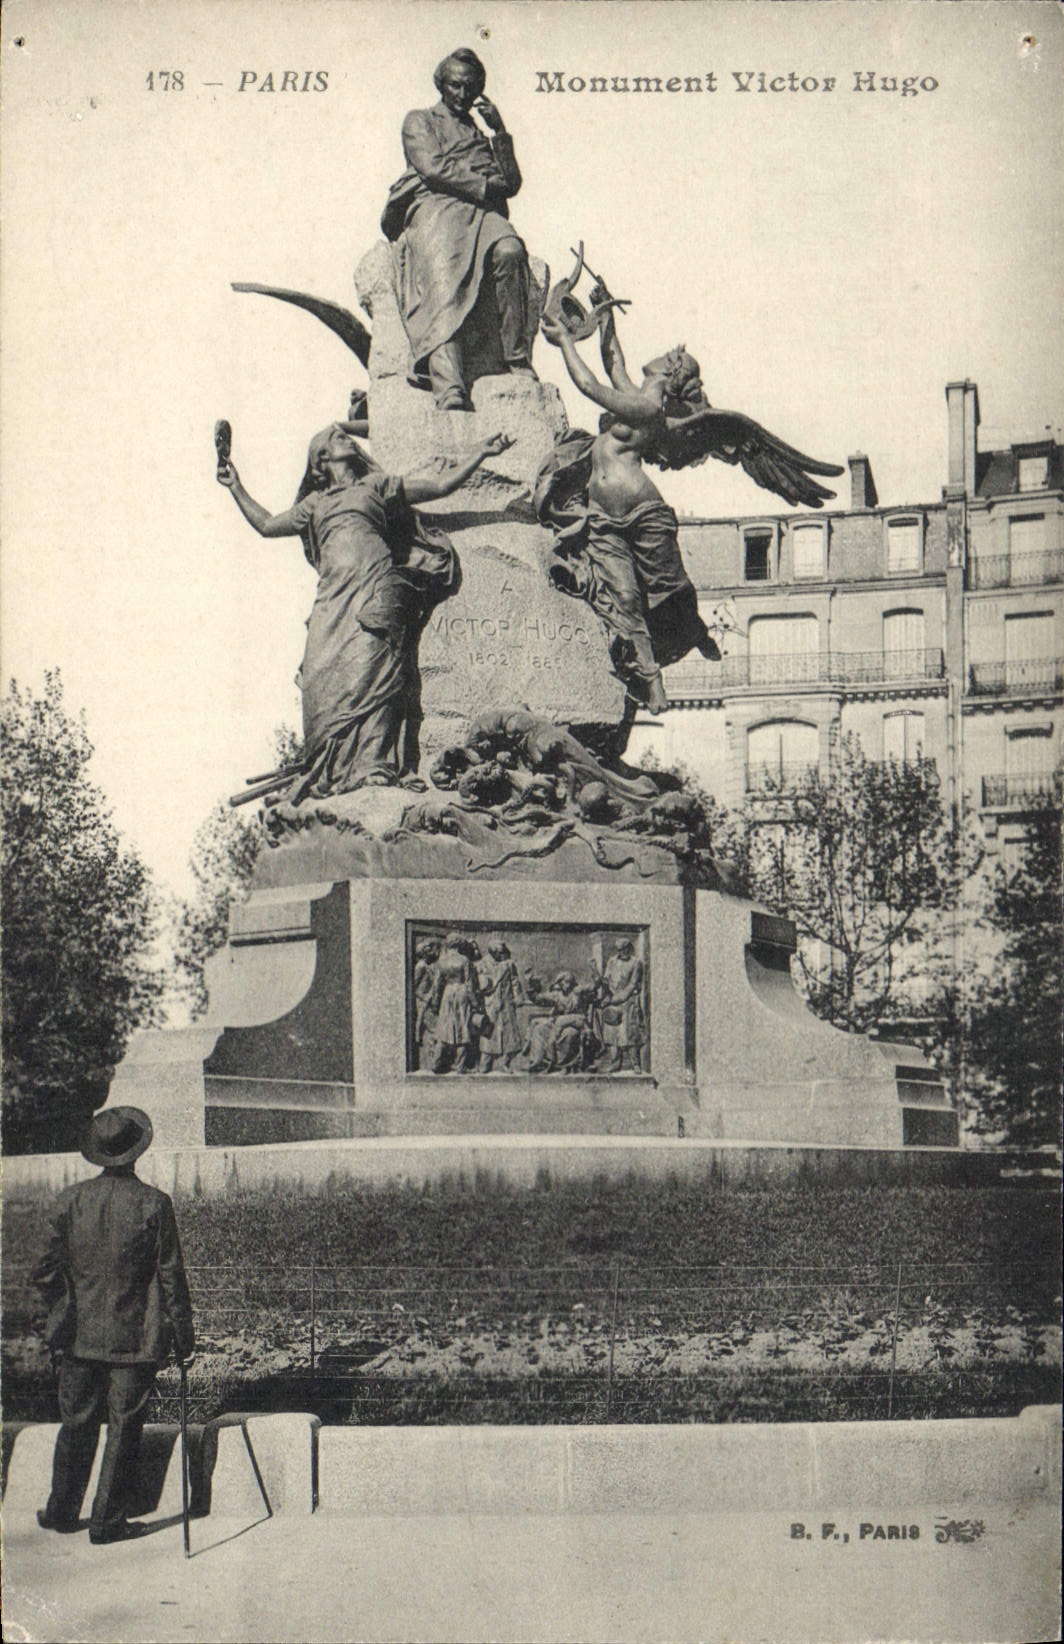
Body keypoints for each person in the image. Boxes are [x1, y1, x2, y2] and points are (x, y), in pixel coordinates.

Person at [219, 424, 512, 797]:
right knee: (321, 681)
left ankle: (374, 764)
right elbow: (266, 524)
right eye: (337, 437)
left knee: (377, 673)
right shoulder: (314, 504)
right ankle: (331, 766)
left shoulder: (375, 486)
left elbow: (439, 486)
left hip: (373, 588)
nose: (348, 439)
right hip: (331, 600)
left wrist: (481, 453)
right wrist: (235, 486)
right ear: (321, 458)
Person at [33, 1107, 194, 1545]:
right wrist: (184, 1336)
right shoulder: (155, 1203)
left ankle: (63, 1512)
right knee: (124, 1428)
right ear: (135, 1153)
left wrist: (64, 1309)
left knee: (76, 1424)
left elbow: (44, 1272)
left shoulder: (70, 1200)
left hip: (78, 1337)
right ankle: (107, 1523)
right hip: (134, 1339)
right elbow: (171, 1277)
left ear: (99, 1153)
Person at [382, 47, 536, 411]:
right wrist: (485, 184)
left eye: (470, 87)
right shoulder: (420, 120)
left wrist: (499, 131)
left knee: (511, 250)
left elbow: (511, 183)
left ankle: (515, 358)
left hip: (482, 212)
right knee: (443, 274)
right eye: (455, 85)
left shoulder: (480, 133)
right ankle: (448, 383)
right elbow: (433, 168)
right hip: (436, 205)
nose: (462, 94)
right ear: (441, 84)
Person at [597, 938, 647, 1073]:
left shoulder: (636, 962)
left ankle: (635, 1063)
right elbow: (606, 980)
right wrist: (600, 979)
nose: (621, 952)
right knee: (612, 1034)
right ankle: (615, 1063)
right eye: (619, 950)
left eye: (624, 949)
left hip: (627, 1002)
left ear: (629, 948)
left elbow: (633, 985)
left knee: (629, 1034)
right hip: (613, 1001)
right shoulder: (612, 961)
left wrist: (616, 999)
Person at [476, 940, 525, 1073]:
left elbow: (514, 981)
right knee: (489, 1034)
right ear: (492, 952)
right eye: (499, 952)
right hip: (490, 1004)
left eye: (503, 952)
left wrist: (518, 996)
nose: (502, 955)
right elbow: (479, 985)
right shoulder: (482, 964)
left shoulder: (509, 964)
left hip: (506, 1002)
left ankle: (505, 1063)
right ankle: (485, 1064)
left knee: (509, 1035)